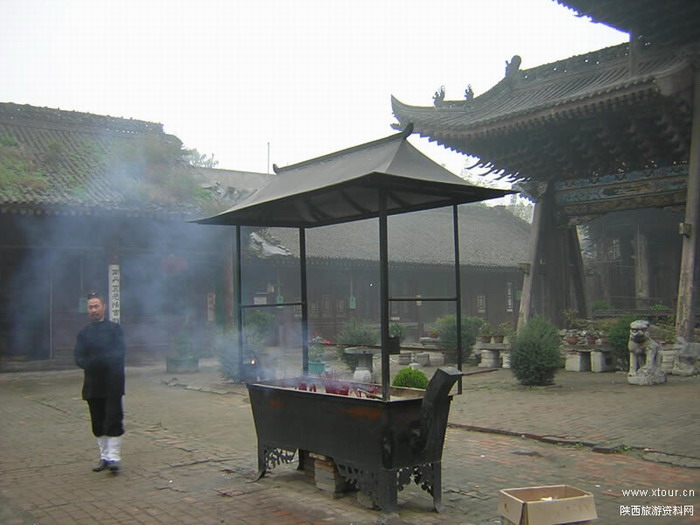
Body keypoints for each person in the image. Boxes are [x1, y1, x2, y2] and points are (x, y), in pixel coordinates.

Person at [74, 291, 126, 473]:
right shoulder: (83, 333)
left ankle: (114, 458)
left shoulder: (115, 329)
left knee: (113, 419)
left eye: (96, 306)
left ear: (104, 307)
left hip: (113, 383)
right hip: (93, 384)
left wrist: (99, 361)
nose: (94, 310)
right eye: (90, 307)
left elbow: (119, 353)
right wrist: (91, 363)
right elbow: (78, 357)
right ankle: (104, 457)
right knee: (97, 421)